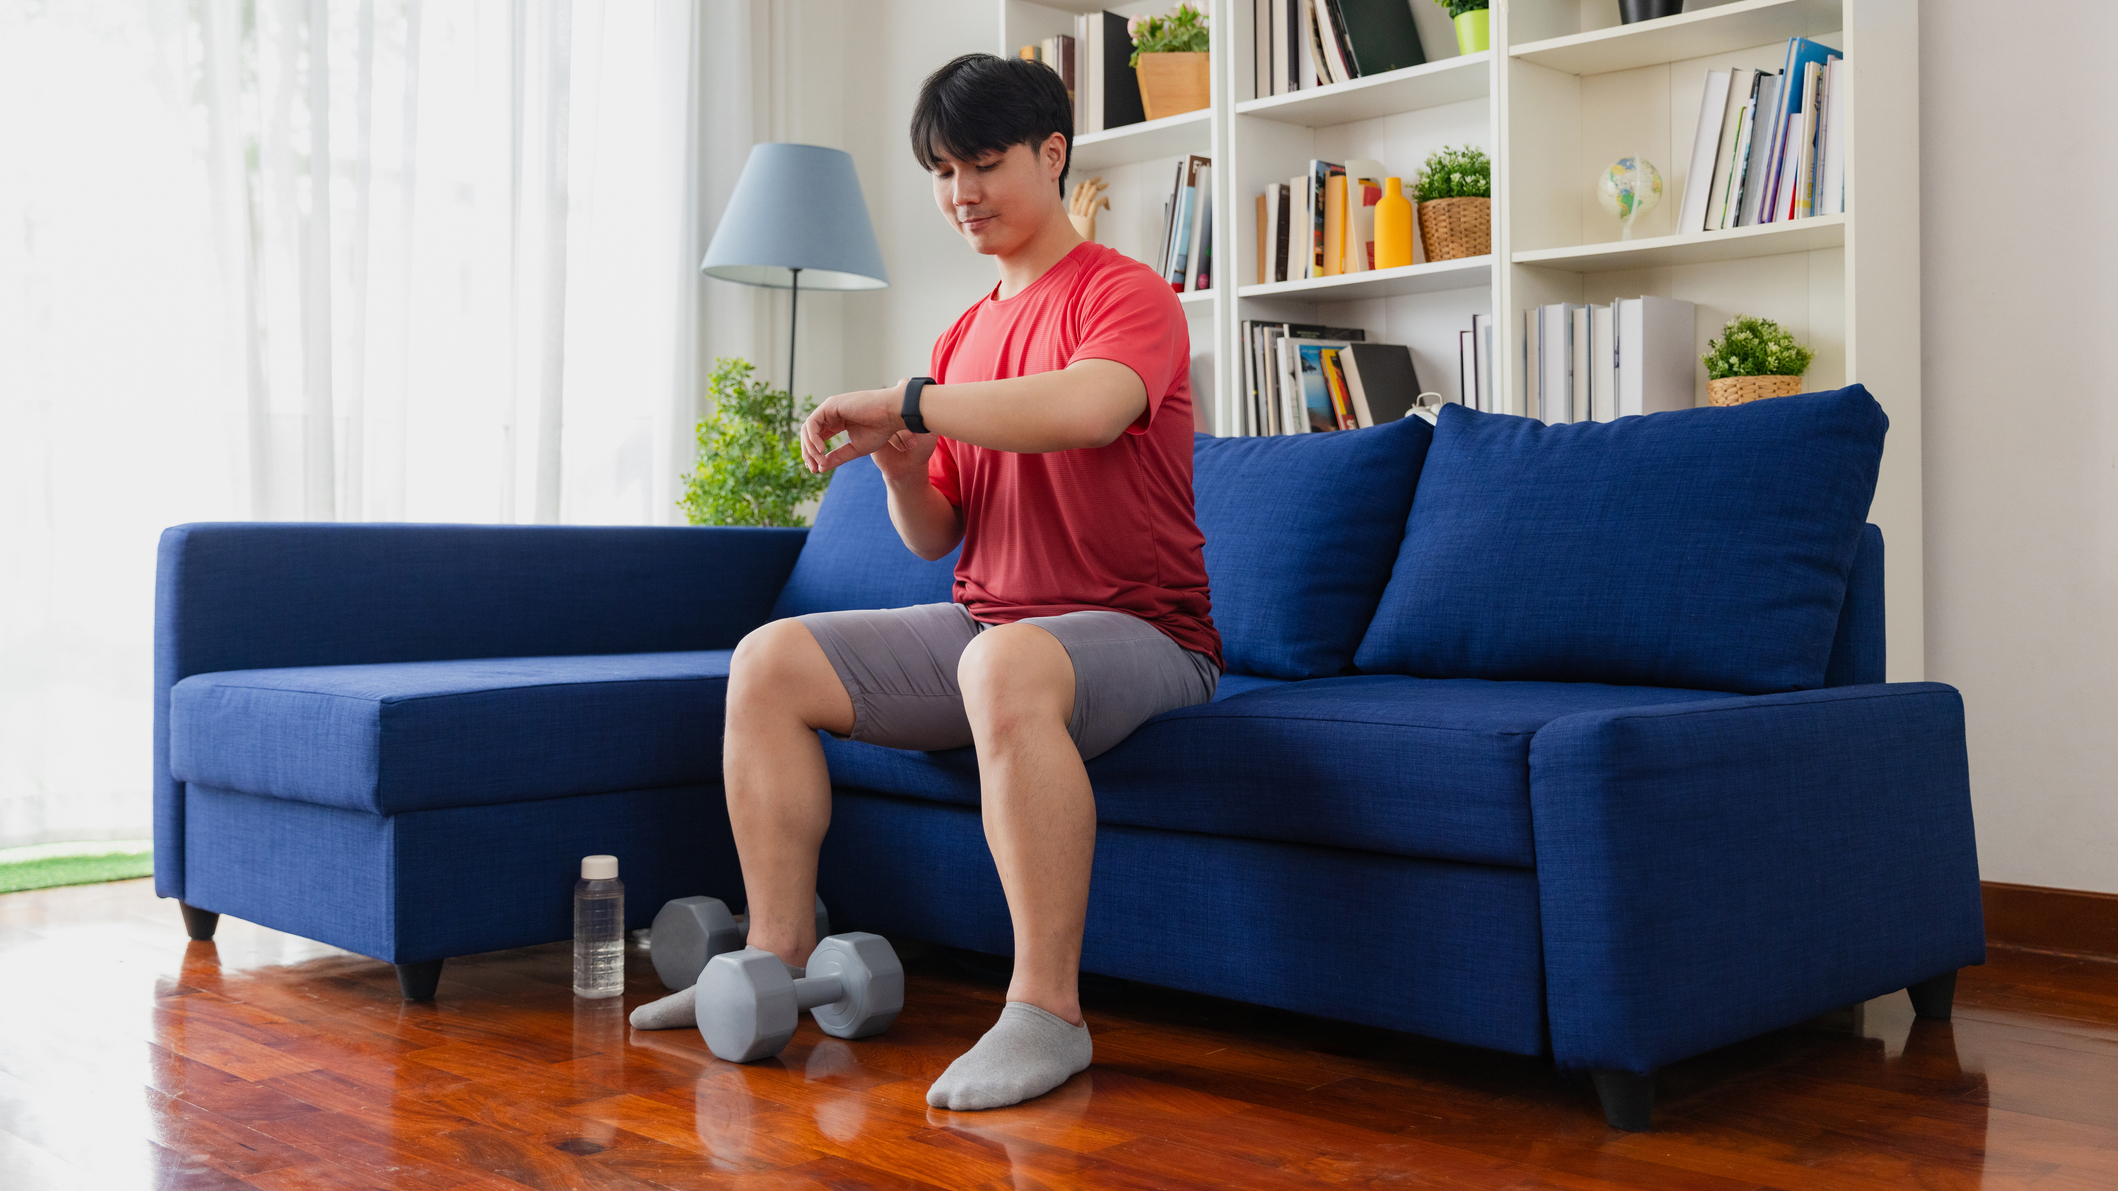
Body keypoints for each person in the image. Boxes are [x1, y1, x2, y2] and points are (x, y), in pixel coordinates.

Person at [633, 52, 1219, 1112]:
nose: (961, 195)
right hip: (990, 625)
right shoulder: (965, 333)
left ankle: (1047, 1014)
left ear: (1053, 154)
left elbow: (1088, 410)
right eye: (943, 172)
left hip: (1143, 635)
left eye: (983, 165)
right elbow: (938, 536)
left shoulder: (1128, 296)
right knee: (768, 660)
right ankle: (778, 959)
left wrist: (912, 399)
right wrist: (905, 465)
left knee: (1000, 662)